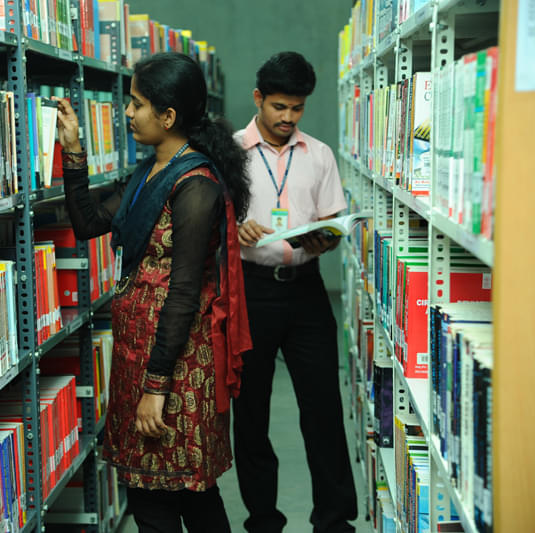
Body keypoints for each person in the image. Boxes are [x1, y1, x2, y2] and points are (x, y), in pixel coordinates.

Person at [52, 52, 252, 533]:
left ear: (168, 116)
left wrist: (156, 389)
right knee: (148, 493)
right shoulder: (149, 172)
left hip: (177, 368)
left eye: (136, 104)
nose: (126, 113)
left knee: (187, 496)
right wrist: (73, 151)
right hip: (135, 355)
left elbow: (184, 291)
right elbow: (88, 222)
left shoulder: (196, 185)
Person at [233, 51, 358, 533]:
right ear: (259, 98)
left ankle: (334, 521)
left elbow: (333, 222)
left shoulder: (320, 154)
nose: (288, 118)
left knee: (323, 409)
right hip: (251, 291)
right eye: (280, 107)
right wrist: (235, 230)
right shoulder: (229, 152)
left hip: (307, 291)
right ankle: (263, 520)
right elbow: (209, 222)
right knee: (251, 414)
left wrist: (324, 236)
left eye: (298, 108)